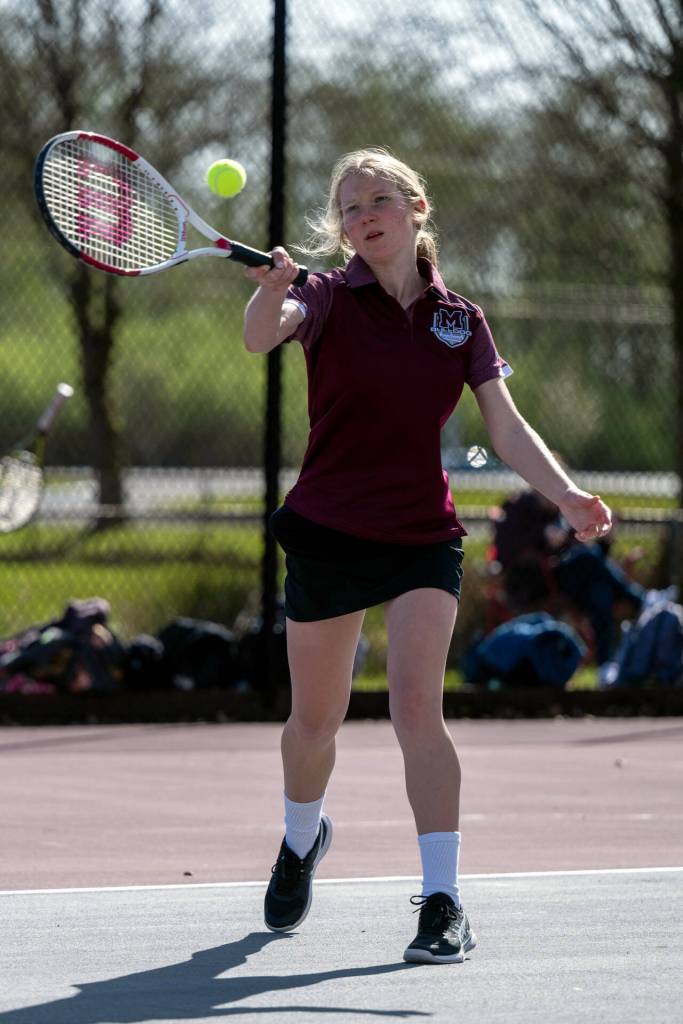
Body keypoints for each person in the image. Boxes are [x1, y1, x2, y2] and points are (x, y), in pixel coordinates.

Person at [242, 147, 612, 965]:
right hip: (328, 531)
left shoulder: (460, 319)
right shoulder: (325, 295)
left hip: (420, 537)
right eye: (347, 208)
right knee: (315, 721)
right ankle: (301, 838)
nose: (362, 215)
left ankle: (442, 901)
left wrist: (567, 496)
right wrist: (271, 295)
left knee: (418, 712)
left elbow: (505, 429)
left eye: (377, 199)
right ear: (338, 229)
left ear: (415, 209)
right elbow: (261, 339)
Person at [490, 486, 646, 674]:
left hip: (562, 582)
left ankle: (605, 668)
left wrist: (605, 541)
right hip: (532, 583)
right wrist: (542, 535)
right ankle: (641, 600)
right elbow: (505, 551)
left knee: (600, 593)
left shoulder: (559, 513)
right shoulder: (519, 509)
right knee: (589, 557)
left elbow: (591, 564)